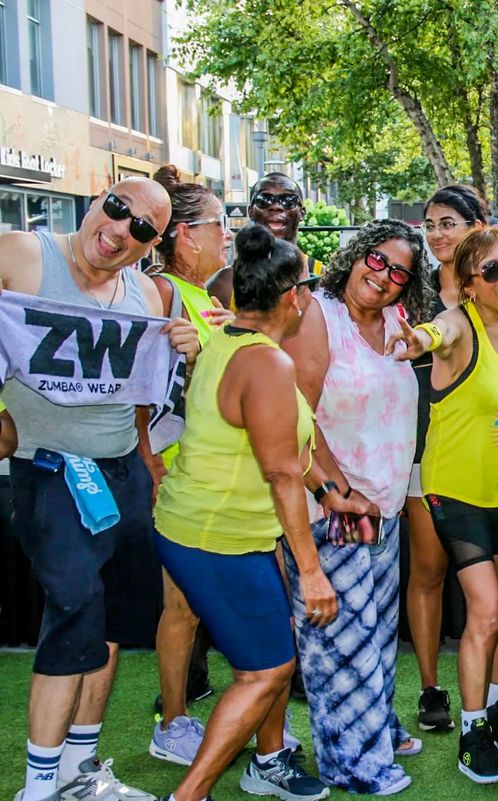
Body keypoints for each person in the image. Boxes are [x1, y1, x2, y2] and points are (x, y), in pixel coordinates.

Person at [0, 178, 200, 801]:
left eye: (141, 228)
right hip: (49, 468)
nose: (120, 231)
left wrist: (189, 347)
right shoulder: (22, 255)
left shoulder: (151, 293)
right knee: (75, 615)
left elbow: (146, 392)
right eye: (117, 209)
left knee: (109, 622)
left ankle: (78, 774)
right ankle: (39, 788)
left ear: (153, 244)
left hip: (121, 473)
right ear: (95, 201)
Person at [154, 224, 367, 801]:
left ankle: (269, 760)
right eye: (308, 289)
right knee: (267, 670)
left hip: (217, 529)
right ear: (292, 298)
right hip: (216, 536)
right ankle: (189, 793)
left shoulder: (229, 340)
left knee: (274, 649)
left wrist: (331, 492)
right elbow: (280, 474)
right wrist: (312, 571)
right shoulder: (266, 364)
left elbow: (289, 454)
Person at [278, 220, 434, 793]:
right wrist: (338, 491)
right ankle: (353, 764)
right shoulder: (318, 315)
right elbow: (293, 419)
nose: (384, 275)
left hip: (381, 508)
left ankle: (376, 730)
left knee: (376, 632)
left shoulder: (397, 322)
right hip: (335, 508)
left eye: (400, 272)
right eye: (377, 259)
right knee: (340, 642)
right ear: (358, 254)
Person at [389, 225, 498, 784]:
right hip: (456, 492)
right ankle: (472, 735)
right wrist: (418, 340)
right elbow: (436, 333)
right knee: (487, 609)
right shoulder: (459, 325)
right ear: (469, 285)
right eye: (492, 270)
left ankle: (497, 708)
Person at [147, 164, 236, 767]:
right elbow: (137, 392)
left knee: (202, 604)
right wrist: (152, 468)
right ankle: (172, 721)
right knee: (180, 605)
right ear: (185, 234)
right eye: (218, 224)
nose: (227, 234)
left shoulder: (208, 297)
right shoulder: (160, 292)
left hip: (217, 474)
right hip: (179, 475)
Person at [408, 184, 489, 732]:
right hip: (419, 447)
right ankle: (430, 687)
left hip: (486, 455)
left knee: (490, 585)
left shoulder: (495, 286)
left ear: (476, 227)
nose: (438, 234)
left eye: (448, 223)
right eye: (431, 224)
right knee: (429, 571)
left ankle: (497, 693)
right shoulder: (409, 289)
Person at [207, 173, 322, 308]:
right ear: (250, 211)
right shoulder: (224, 283)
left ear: (302, 212)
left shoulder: (322, 277)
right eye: (264, 200)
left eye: (288, 200)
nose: (276, 207)